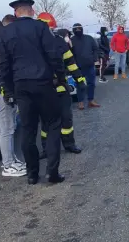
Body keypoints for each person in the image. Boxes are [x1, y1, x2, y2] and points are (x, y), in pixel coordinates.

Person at [0, 0, 66, 185]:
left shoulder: (6, 32)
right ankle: (52, 173)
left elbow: (3, 66)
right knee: (52, 125)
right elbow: (54, 55)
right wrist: (60, 78)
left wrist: (8, 91)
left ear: (16, 13)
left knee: (28, 130)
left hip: (21, 87)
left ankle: (32, 174)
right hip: (43, 84)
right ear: (32, 11)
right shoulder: (41, 28)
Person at [34, 15, 86, 157]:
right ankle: (45, 149)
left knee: (66, 118)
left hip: (61, 87)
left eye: (51, 29)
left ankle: (69, 144)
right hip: (45, 89)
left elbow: (71, 62)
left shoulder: (59, 42)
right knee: (46, 121)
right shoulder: (34, 43)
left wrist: (79, 79)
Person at [0, 15, 26, 177]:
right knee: (6, 129)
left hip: (5, 91)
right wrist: (8, 93)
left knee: (10, 128)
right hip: (2, 93)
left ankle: (12, 160)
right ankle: (8, 165)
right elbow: (1, 71)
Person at [70, 23, 100, 109]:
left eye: (80, 29)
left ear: (82, 29)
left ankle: (91, 100)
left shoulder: (89, 38)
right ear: (74, 30)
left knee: (91, 84)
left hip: (90, 65)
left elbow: (95, 49)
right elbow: (69, 53)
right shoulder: (71, 40)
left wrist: (94, 59)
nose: (78, 31)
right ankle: (80, 102)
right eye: (76, 29)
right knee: (79, 84)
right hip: (78, 67)